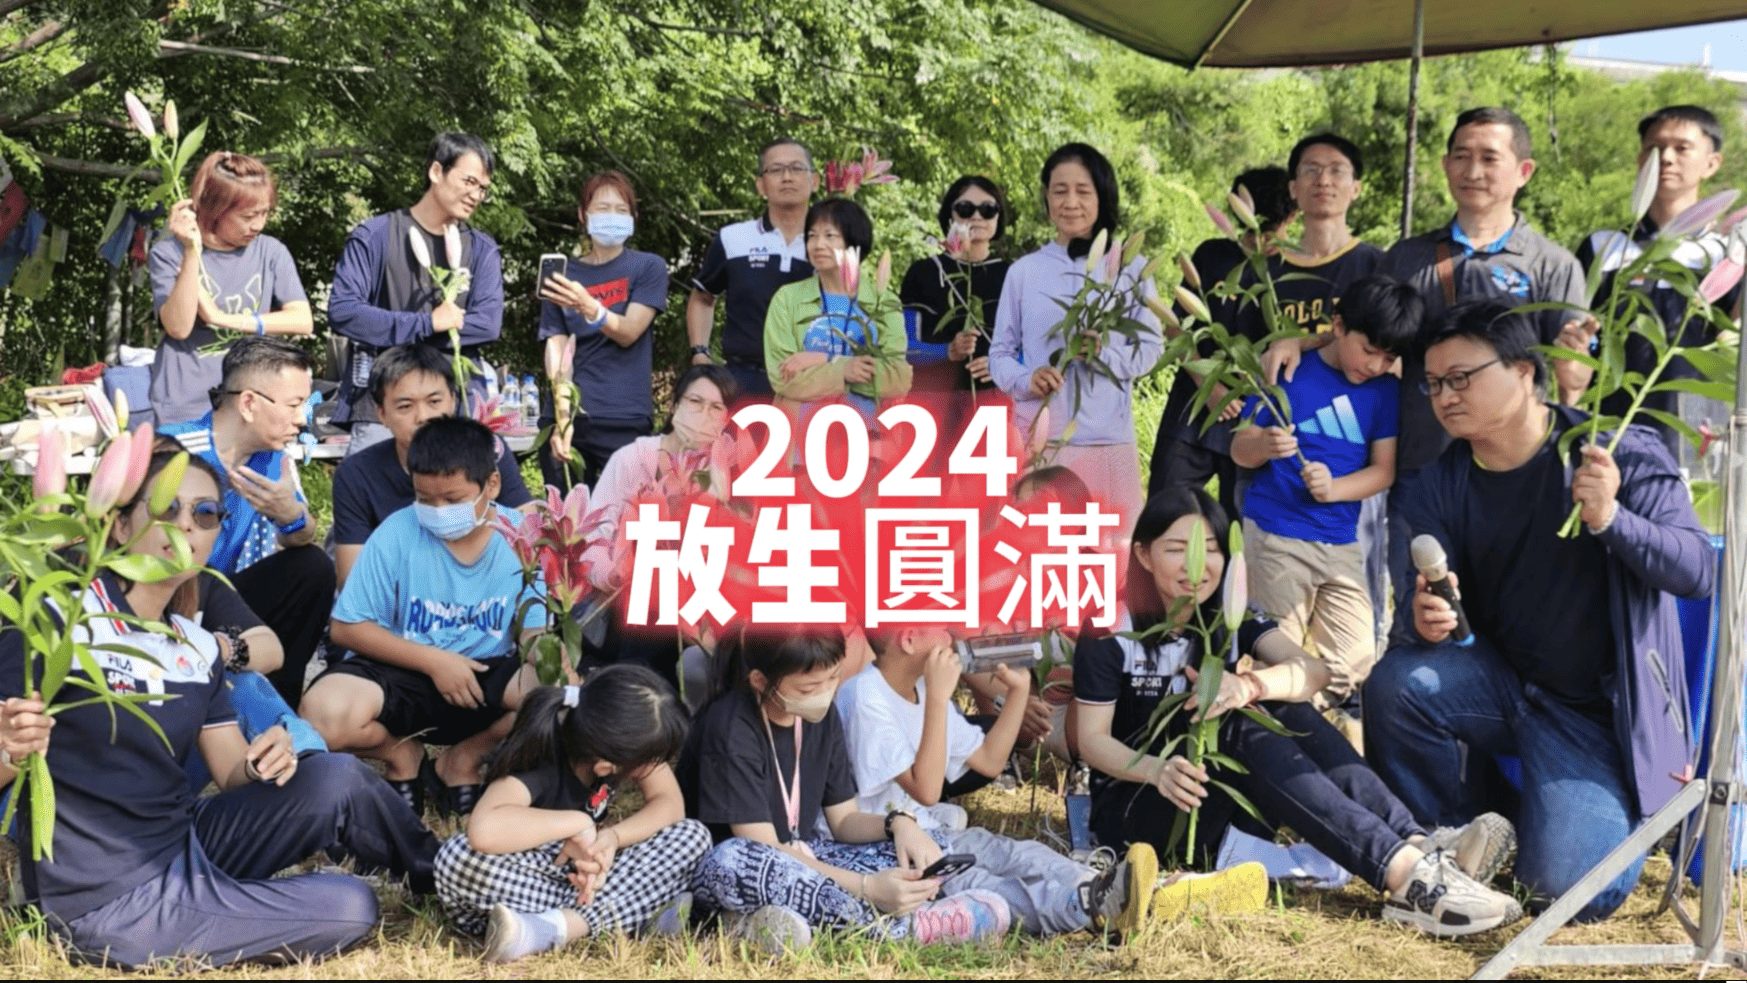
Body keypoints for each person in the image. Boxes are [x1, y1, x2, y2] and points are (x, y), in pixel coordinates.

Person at [0, 451, 438, 969]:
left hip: (181, 843)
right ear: (119, 524)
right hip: (108, 898)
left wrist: (265, 759)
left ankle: (446, 875)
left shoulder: (196, 646)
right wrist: (9, 749)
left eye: (205, 513)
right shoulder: (55, 619)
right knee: (350, 907)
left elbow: (230, 769)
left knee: (334, 777)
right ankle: (212, 908)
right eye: (166, 508)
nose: (186, 524)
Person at [1365, 301, 1715, 922]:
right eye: (1433, 383)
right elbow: (1418, 630)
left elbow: (1696, 570)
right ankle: (1445, 847)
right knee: (1397, 684)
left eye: (1461, 378)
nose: (1444, 397)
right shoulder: (1436, 484)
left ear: (1525, 370)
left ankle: (1583, 810)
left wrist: (1611, 519)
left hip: (1597, 717)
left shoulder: (1615, 452)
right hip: (1500, 686)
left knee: (1568, 893)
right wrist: (1427, 623)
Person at [1073, 485, 1523, 937]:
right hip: (1143, 808)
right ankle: (1407, 876)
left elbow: (1313, 671)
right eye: (1177, 550)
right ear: (1144, 555)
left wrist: (1250, 685)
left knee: (1272, 701)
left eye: (1210, 549)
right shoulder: (1112, 627)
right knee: (1235, 721)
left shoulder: (1226, 615)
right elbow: (1090, 739)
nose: (1196, 566)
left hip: (1217, 802)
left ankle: (1418, 843)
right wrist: (1156, 770)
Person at [837, 623, 1215, 936]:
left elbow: (988, 762)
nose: (952, 634)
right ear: (909, 638)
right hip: (888, 849)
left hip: (931, 833)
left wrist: (1018, 692)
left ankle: (1132, 889)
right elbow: (927, 790)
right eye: (941, 626)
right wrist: (938, 697)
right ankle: (1092, 905)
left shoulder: (919, 687)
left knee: (1021, 854)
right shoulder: (866, 696)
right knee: (985, 885)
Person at [1376, 107, 1594, 610]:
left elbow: (1573, 380)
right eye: (1461, 156)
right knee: (1424, 611)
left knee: (1516, 613)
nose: (1473, 170)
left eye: (1490, 158)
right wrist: (1296, 343)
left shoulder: (1552, 264)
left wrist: (1575, 365)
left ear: (1524, 171)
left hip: (1517, 477)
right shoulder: (1405, 259)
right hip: (1422, 470)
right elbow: (1367, 349)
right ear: (1445, 165)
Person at [680, 627, 1012, 949]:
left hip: (805, 853)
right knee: (733, 860)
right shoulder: (730, 727)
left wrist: (898, 824)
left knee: (922, 846)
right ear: (760, 681)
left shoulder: (819, 718)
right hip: (741, 866)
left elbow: (843, 820)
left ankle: (761, 922)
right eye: (809, 688)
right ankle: (907, 927)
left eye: (833, 678)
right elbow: (762, 845)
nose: (825, 692)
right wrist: (867, 887)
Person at [302, 417, 546, 818]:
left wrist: (551, 660)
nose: (437, 511)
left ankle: (464, 759)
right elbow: (346, 627)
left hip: (489, 672)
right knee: (323, 713)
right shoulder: (397, 532)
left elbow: (534, 629)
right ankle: (403, 756)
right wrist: (435, 662)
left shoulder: (523, 538)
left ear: (492, 485)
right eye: (424, 499)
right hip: (405, 668)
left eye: (452, 499)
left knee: (559, 699)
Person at [1228, 275, 1418, 711]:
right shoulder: (1289, 371)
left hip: (1341, 543)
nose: (1375, 365)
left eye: (1388, 357)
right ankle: (1271, 727)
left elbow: (1383, 471)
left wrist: (1334, 489)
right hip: (1277, 536)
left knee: (1355, 662)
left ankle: (1291, 717)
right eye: (1369, 350)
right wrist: (1264, 445)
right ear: (1338, 325)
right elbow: (1240, 449)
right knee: (1278, 654)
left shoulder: (1385, 390)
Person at [435, 666, 712, 962]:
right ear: (605, 767)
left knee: (693, 836)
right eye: (650, 761)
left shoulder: (612, 737)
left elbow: (669, 803)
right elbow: (484, 831)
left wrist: (612, 838)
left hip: (587, 879)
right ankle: (630, 913)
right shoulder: (540, 755)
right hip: (529, 878)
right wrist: (578, 823)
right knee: (457, 858)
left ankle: (554, 927)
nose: (655, 768)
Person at [989, 143, 1163, 533]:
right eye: (1059, 191)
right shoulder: (1024, 271)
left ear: (1103, 196)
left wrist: (1104, 356)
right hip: (1041, 445)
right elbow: (999, 354)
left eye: (1083, 191)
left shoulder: (1130, 269)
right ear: (1046, 197)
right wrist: (1028, 378)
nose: (1070, 202)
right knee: (1039, 558)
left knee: (1111, 559)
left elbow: (1152, 348)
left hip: (1108, 445)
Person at [159, 336, 332, 708]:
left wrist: (291, 516)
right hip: (165, 593)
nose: (302, 419)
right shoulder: (174, 450)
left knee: (313, 567)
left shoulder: (272, 457)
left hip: (221, 596)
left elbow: (301, 535)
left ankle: (279, 705)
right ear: (249, 403)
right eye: (295, 405)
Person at [1575, 104, 1738, 458]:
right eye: (1654, 148)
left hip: (1696, 435)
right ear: (1639, 159)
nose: (1665, 158)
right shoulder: (1603, 247)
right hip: (1610, 432)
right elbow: (1577, 337)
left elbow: (1733, 338)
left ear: (1712, 163)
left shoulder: (1727, 254)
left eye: (1682, 148)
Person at [328, 132, 503, 455]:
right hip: (382, 410)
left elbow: (488, 324)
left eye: (483, 188)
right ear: (436, 171)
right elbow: (344, 311)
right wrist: (427, 323)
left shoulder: (481, 248)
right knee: (375, 488)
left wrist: (402, 333)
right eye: (469, 181)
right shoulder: (376, 236)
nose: (476, 195)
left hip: (455, 409)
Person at [1147, 166, 1296, 515]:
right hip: (1193, 409)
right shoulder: (1212, 255)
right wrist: (1209, 386)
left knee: (1239, 529)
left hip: (1254, 421)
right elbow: (1176, 328)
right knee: (1165, 514)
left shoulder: (1294, 268)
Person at [581, 364, 738, 688]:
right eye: (695, 402)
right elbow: (595, 537)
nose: (703, 415)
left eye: (716, 408)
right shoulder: (631, 459)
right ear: (674, 405)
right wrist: (613, 574)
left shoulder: (726, 470)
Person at [331, 344, 534, 587]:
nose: (423, 417)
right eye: (405, 406)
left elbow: (529, 536)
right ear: (381, 414)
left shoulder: (490, 451)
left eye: (434, 401)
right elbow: (352, 578)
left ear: (453, 401)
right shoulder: (356, 474)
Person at [147, 152, 312, 428]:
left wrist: (221, 318)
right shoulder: (168, 253)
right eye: (248, 216)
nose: (258, 225)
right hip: (185, 406)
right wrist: (191, 251)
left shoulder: (270, 252)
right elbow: (178, 328)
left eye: (265, 213)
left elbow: (302, 319)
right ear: (215, 210)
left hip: (251, 406)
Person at [538, 170, 672, 490]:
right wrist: (562, 420)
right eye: (602, 208)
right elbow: (557, 351)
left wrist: (589, 306)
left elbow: (629, 331)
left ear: (634, 218)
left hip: (625, 418)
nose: (612, 216)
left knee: (628, 516)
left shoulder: (648, 266)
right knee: (567, 517)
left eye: (622, 210)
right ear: (582, 215)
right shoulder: (563, 276)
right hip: (571, 421)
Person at [764, 196, 912, 426]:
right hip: (797, 438)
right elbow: (782, 378)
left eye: (830, 236)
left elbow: (897, 379)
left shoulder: (884, 302)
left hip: (867, 436)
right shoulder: (787, 299)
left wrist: (824, 360)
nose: (818, 244)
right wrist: (844, 370)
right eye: (812, 235)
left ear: (854, 241)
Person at [688, 138, 817, 398]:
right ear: (761, 185)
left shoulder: (830, 244)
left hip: (811, 381)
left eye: (796, 168)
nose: (787, 177)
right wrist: (700, 353)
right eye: (776, 169)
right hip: (743, 382)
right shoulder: (733, 238)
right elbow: (703, 297)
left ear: (814, 181)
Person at [900, 176, 1011, 394]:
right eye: (965, 209)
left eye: (988, 209)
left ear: (998, 216)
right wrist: (947, 351)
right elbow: (903, 347)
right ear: (950, 215)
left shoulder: (1013, 275)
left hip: (994, 402)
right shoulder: (924, 272)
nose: (977, 217)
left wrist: (1004, 366)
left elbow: (1033, 348)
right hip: (934, 400)